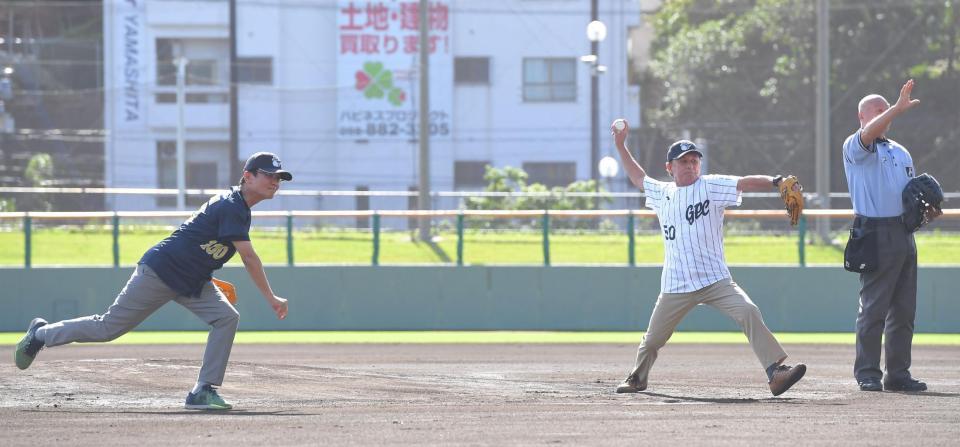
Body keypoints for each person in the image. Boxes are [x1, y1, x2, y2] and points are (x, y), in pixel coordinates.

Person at [14, 152, 293, 410]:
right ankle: (40, 335)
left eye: (279, 177)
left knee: (226, 317)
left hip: (191, 280)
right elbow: (249, 258)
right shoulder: (232, 206)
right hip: (161, 271)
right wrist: (271, 298)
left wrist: (209, 278)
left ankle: (203, 390)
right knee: (108, 328)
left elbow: (196, 243)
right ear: (247, 176)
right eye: (269, 174)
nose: (275, 181)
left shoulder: (238, 207)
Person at [610, 119, 806, 396]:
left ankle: (775, 372)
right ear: (669, 168)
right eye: (683, 161)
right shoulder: (662, 193)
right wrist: (621, 146)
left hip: (715, 279)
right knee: (652, 340)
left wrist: (776, 181)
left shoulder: (710, 186)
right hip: (676, 284)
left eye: (694, 161)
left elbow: (744, 182)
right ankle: (637, 378)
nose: (690, 165)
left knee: (748, 311)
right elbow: (638, 177)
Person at [843, 79, 934, 392]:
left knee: (904, 310)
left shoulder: (901, 151)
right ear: (862, 117)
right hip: (874, 231)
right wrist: (896, 107)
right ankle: (867, 372)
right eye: (878, 111)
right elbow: (869, 134)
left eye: (887, 110)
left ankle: (898, 374)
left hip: (903, 232)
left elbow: (908, 194)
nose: (886, 115)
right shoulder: (855, 146)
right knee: (873, 308)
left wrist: (922, 210)